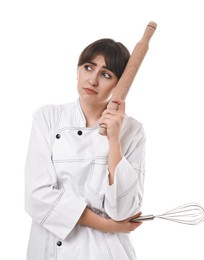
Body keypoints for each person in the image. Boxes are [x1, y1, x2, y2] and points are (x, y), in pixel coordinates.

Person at [25, 38, 146, 260]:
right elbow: (37, 198)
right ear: (78, 71)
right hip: (50, 250)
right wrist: (108, 226)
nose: (92, 79)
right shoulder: (48, 118)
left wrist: (114, 140)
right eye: (88, 67)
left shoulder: (132, 130)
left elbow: (124, 210)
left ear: (119, 85)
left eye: (106, 74)